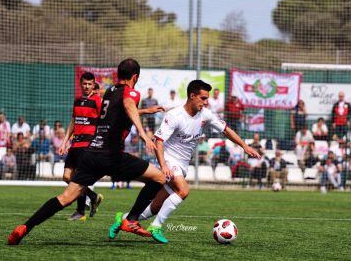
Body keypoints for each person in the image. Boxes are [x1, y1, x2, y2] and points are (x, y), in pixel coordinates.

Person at [7, 58, 167, 245]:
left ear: (118, 74)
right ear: (135, 77)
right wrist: (143, 135)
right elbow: (129, 105)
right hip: (112, 155)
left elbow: (121, 110)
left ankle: (25, 227)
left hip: (92, 154)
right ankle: (131, 220)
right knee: (160, 178)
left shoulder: (109, 92)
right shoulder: (131, 92)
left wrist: (146, 111)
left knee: (66, 197)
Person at [111, 80, 261, 244]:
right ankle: (156, 227)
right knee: (183, 190)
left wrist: (245, 146)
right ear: (192, 95)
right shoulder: (175, 115)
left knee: (156, 206)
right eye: (203, 98)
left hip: (182, 165)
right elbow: (159, 141)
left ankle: (123, 219)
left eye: (207, 99)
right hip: (168, 160)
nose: (206, 102)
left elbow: (226, 130)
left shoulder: (206, 114)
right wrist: (164, 166)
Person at [58, 72, 103, 221]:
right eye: (84, 83)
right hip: (74, 144)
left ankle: (80, 211)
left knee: (78, 177)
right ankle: (93, 196)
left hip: (87, 144)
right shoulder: (77, 100)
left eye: (90, 84)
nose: (87, 86)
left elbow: (103, 121)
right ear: (80, 84)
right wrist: (65, 141)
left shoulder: (97, 101)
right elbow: (73, 122)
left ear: (93, 84)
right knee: (66, 176)